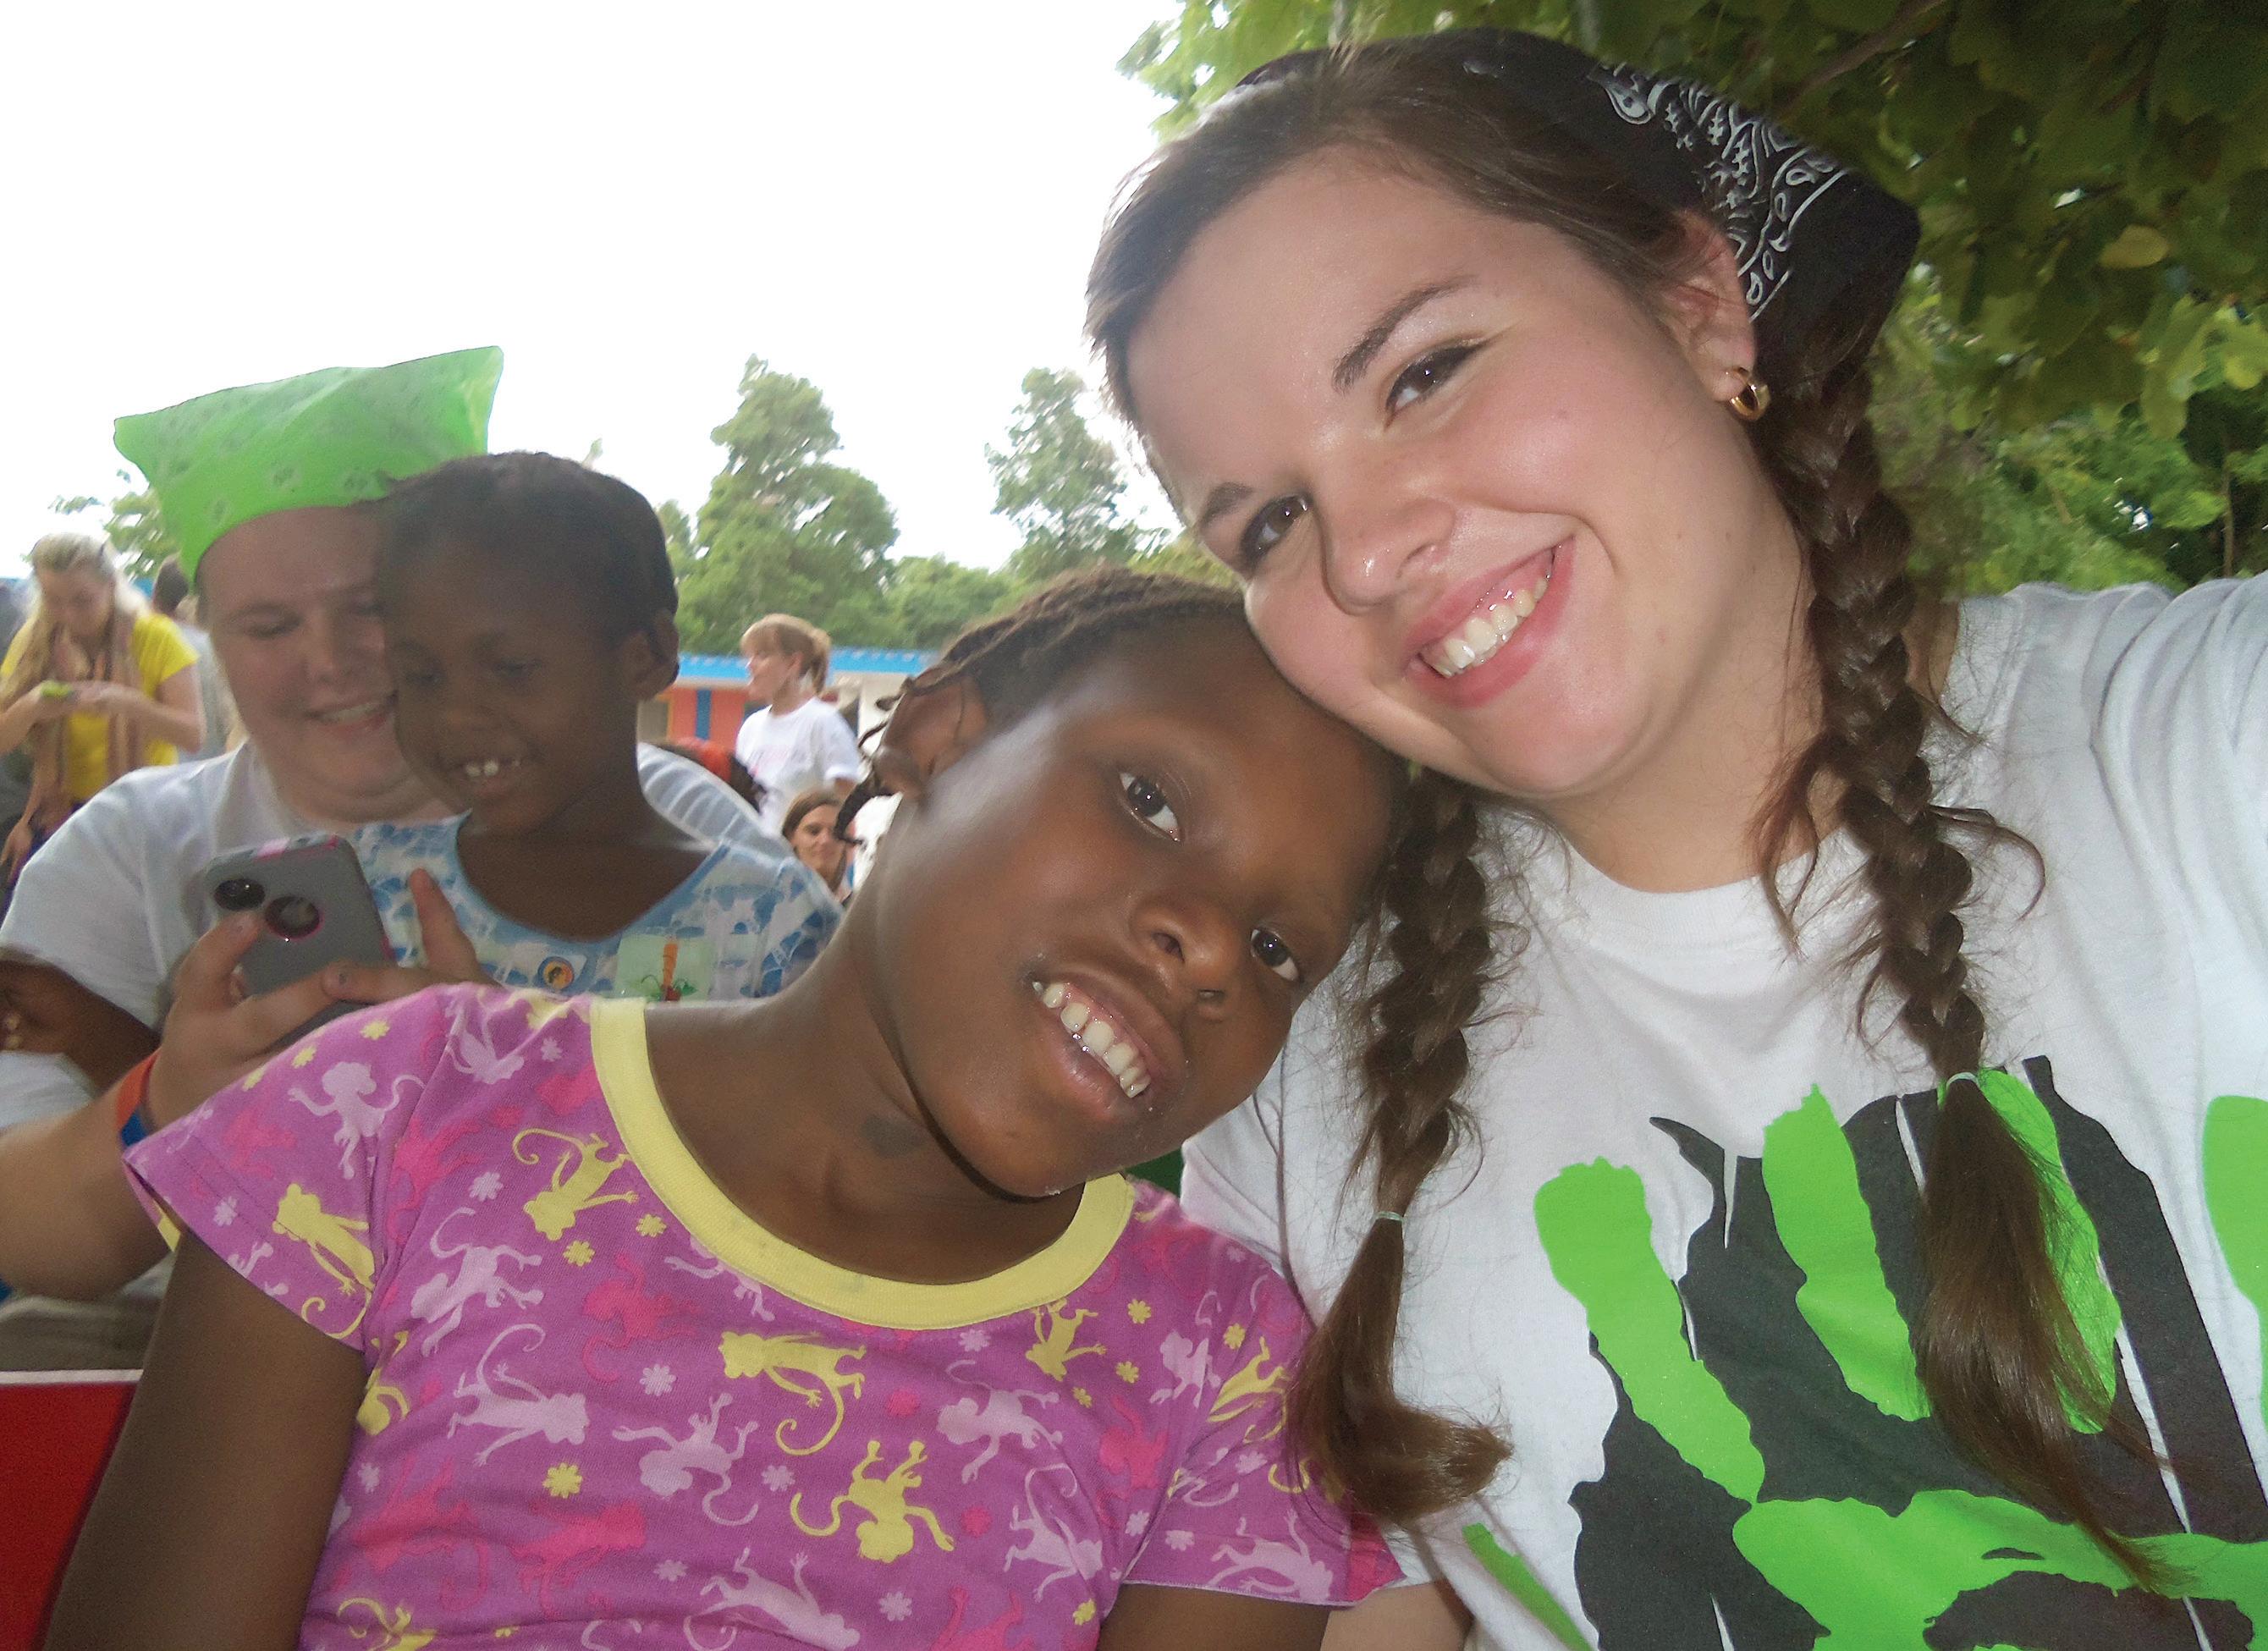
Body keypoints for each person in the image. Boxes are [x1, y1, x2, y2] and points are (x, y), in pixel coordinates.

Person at [1088, 30, 2268, 1648]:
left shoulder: (2209, 748)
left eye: (1424, 372)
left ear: (1700, 303)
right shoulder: (1304, 1075)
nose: (1363, 555)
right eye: (1269, 522)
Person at [50, 570, 1476, 1650]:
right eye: (1152, 800)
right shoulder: (401, 1107)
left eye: (1280, 947)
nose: (1213, 947)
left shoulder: (1230, 1367)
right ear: (939, 732)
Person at [0, 351, 790, 1340]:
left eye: (372, 609)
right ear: (212, 643)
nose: (329, 662)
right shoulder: (129, 850)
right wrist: (168, 1105)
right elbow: (24, 1231)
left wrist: (525, 1086)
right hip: (188, 1350)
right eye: (268, 625)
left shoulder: (676, 838)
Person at [351, 452, 836, 999]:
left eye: (511, 668)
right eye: (421, 676)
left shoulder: (773, 922)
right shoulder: (368, 894)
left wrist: (485, 1033)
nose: (456, 715)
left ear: (646, 657)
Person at [0, 532, 202, 875]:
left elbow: (193, 735)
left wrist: (127, 703)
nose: (67, 615)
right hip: (60, 816)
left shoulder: (156, 636)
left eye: (83, 601)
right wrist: (32, 706)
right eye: (52, 600)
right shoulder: (35, 640)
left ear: (110, 585)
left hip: (145, 813)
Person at [735, 611, 862, 833]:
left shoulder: (823, 723)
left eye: (761, 655)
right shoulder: (750, 728)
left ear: (793, 663)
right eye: (749, 656)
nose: (750, 665)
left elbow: (846, 802)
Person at [150, 553, 235, 757]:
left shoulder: (142, 648)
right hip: (217, 768)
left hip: (161, 771)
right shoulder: (222, 648)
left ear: (155, 599)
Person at [783, 784, 853, 900]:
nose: (825, 840)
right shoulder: (769, 900)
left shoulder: (863, 906)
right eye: (814, 831)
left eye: (835, 832)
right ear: (791, 837)